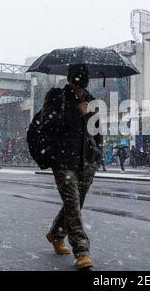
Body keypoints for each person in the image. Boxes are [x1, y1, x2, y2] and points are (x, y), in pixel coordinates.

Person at [41, 64, 102, 270]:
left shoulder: (91, 99)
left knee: (76, 203)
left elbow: (96, 128)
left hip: (86, 160)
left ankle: (56, 234)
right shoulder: (56, 96)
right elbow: (47, 123)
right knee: (72, 203)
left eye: (83, 81)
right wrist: (76, 113)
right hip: (63, 160)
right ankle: (82, 251)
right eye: (77, 80)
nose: (80, 86)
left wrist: (98, 151)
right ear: (69, 79)